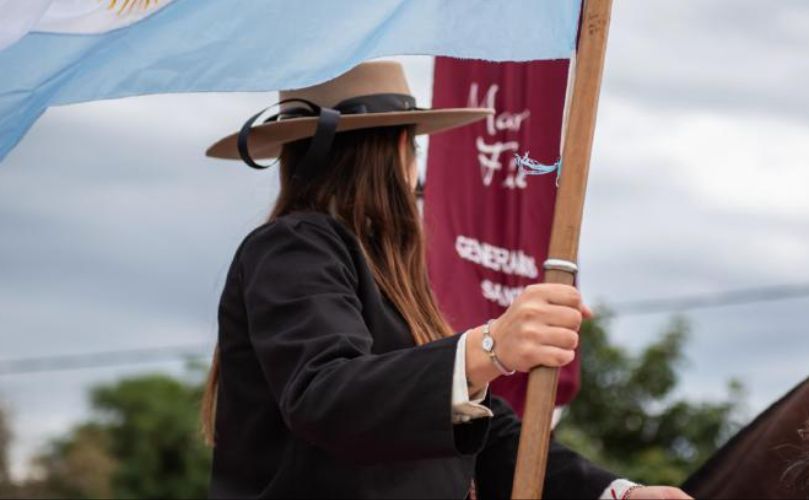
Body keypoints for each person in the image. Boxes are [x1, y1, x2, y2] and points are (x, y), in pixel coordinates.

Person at [201, 61, 690, 499]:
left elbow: (492, 439)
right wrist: (491, 346)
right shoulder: (295, 243)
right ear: (397, 150)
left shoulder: (382, 274)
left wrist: (617, 494)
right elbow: (325, 395)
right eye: (415, 146)